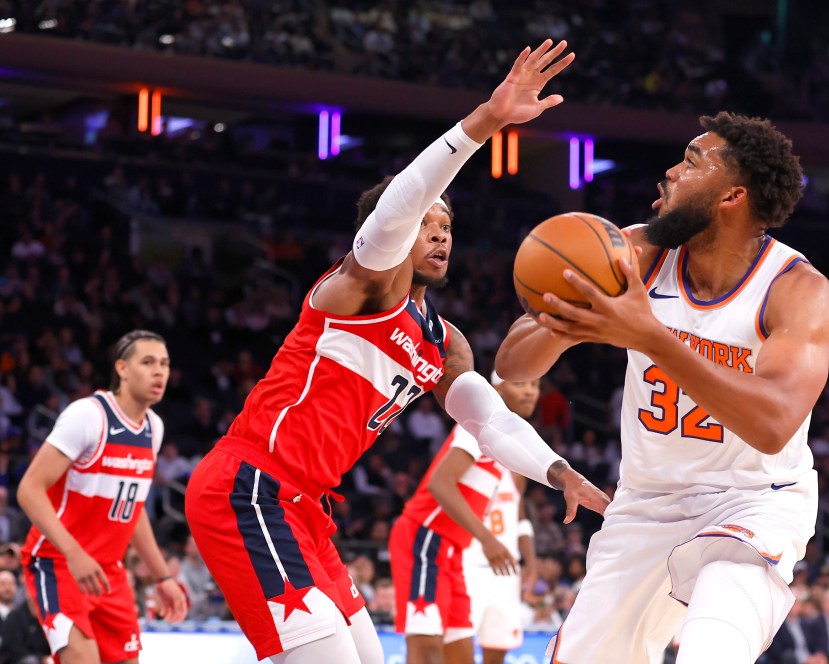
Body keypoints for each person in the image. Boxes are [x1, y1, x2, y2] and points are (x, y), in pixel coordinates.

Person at [184, 39, 608, 664]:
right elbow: (398, 206)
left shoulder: (444, 340)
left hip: (308, 510)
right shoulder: (360, 286)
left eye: (449, 229)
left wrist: (557, 470)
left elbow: (487, 420)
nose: (440, 236)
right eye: (428, 226)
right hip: (251, 487)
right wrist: (487, 121)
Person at [495, 111, 829, 663]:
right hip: (647, 502)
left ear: (732, 196)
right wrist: (564, 318)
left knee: (712, 646)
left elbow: (774, 425)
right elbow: (513, 364)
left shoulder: (797, 291)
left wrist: (651, 336)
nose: (670, 172)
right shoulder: (636, 254)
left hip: (755, 498)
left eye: (691, 161)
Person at [17, 330, 188, 664]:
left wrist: (162, 576)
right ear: (122, 369)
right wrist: (74, 553)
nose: (159, 372)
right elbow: (29, 489)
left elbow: (132, 509)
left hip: (108, 572)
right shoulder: (88, 415)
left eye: (165, 364)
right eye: (148, 362)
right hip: (58, 563)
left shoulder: (154, 428)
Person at [389, 372, 539, 664]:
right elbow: (439, 483)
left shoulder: (509, 440)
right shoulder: (478, 424)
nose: (530, 392)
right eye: (520, 382)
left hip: (453, 549)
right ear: (497, 387)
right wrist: (487, 539)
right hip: (425, 536)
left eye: (535, 385)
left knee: (460, 655)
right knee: (427, 649)